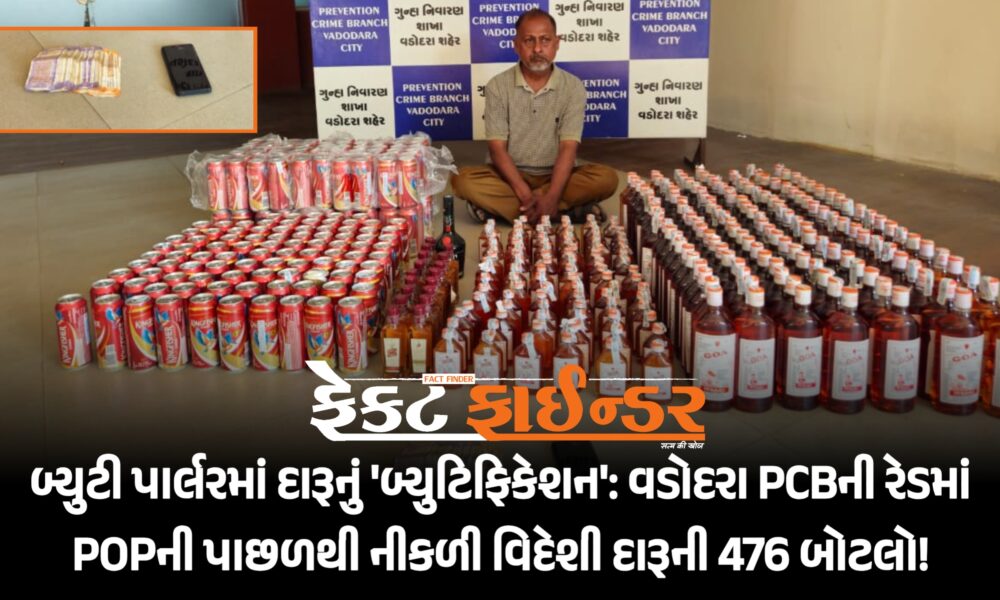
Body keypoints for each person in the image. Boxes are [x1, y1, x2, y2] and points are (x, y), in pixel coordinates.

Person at [451, 8, 619, 224]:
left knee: (606, 179)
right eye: (529, 40)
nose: (538, 48)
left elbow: (568, 148)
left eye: (545, 40)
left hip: (557, 176)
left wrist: (552, 194)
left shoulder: (573, 87)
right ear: (516, 45)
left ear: (557, 43)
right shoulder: (498, 86)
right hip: (509, 176)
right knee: (462, 180)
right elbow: (497, 149)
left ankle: (512, 211)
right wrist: (525, 193)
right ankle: (564, 212)